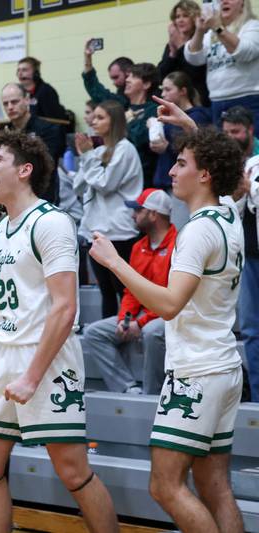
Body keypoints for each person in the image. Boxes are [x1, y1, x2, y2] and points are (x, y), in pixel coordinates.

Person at [90, 123, 245, 533]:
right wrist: (197, 132)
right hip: (223, 366)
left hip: (197, 373)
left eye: (180, 163)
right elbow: (226, 168)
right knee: (215, 487)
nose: (171, 172)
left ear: (206, 174)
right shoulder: (228, 214)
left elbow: (170, 305)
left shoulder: (197, 231)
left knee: (164, 486)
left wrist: (113, 262)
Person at [0, 131, 119, 533]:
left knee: (72, 470)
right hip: (4, 355)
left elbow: (66, 307)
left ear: (24, 170)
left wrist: (32, 375)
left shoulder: (51, 222)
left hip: (47, 360)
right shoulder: (2, 228)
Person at [83, 188, 177, 395]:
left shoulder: (178, 245)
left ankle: (154, 395)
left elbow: (173, 297)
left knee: (152, 332)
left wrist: (140, 322)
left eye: (139, 210)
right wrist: (124, 319)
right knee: (93, 333)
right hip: (145, 314)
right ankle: (128, 389)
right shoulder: (138, 247)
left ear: (153, 214)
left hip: (169, 313)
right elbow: (131, 291)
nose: (133, 215)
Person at [73, 100, 143, 318]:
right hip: (96, 228)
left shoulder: (125, 149)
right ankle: (108, 337)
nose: (94, 121)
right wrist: (88, 157)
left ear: (115, 122)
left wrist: (86, 157)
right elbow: (79, 185)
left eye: (101, 117)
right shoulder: (99, 150)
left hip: (119, 230)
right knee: (106, 291)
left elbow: (105, 184)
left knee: (123, 289)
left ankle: (127, 333)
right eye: (94, 116)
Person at [222, 105, 259, 401]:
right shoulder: (230, 165)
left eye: (236, 132)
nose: (231, 138)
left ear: (249, 130)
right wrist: (238, 194)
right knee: (250, 331)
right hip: (248, 255)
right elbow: (229, 212)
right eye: (226, 133)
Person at [0, 83, 64, 203]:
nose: (10, 107)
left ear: (27, 100)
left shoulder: (49, 129)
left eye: (14, 102)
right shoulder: (3, 132)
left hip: (42, 196)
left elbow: (45, 165)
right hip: (10, 197)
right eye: (5, 103)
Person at [185, 0, 259, 129]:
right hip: (217, 101)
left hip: (247, 98)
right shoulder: (211, 34)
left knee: (252, 147)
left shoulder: (252, 26)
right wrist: (200, 31)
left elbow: (245, 52)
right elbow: (194, 58)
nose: (224, 1)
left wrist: (218, 28)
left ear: (242, 3)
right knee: (224, 149)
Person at [151, 71, 212, 191]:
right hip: (166, 180)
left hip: (185, 184)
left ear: (183, 91)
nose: (163, 94)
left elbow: (198, 150)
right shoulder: (168, 117)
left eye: (168, 90)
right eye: (162, 89)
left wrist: (167, 147)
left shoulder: (198, 116)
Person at [158, 1, 210, 107]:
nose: (180, 20)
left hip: (200, 98)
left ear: (195, 18)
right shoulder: (171, 44)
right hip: (178, 101)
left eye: (185, 16)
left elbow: (195, 73)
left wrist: (181, 46)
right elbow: (161, 75)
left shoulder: (203, 40)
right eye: (177, 17)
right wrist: (172, 52)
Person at [17, 56, 67, 121]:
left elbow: (53, 121)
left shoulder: (46, 91)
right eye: (18, 70)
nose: (20, 74)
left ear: (36, 73)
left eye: (24, 70)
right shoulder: (20, 92)